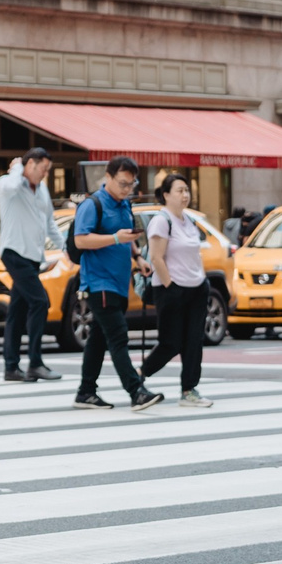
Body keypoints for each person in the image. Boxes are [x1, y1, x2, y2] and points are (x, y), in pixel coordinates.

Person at [72, 155, 164, 412]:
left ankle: (86, 392)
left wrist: (137, 258)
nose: (126, 189)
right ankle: (136, 391)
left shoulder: (124, 205)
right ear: (108, 177)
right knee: (118, 335)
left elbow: (128, 237)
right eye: (123, 183)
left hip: (119, 281)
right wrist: (114, 238)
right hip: (99, 282)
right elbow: (80, 240)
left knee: (99, 339)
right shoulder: (92, 204)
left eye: (131, 184)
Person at [137, 174, 215, 408]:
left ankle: (189, 390)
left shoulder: (189, 220)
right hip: (171, 289)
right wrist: (170, 286)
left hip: (196, 288)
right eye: (180, 190)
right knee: (170, 343)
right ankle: (138, 375)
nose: (185, 195)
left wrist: (202, 282)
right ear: (166, 195)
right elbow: (156, 258)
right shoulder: (161, 221)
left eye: (187, 190)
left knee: (194, 342)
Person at [0, 149, 65, 384]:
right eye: (43, 169)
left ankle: (11, 367)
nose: (45, 174)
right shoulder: (8, 183)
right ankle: (35, 363)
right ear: (31, 164)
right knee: (40, 301)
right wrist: (17, 167)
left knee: (17, 311)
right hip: (14, 253)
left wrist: (66, 248)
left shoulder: (42, 189)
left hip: (34, 256)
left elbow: (49, 223)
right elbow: (12, 186)